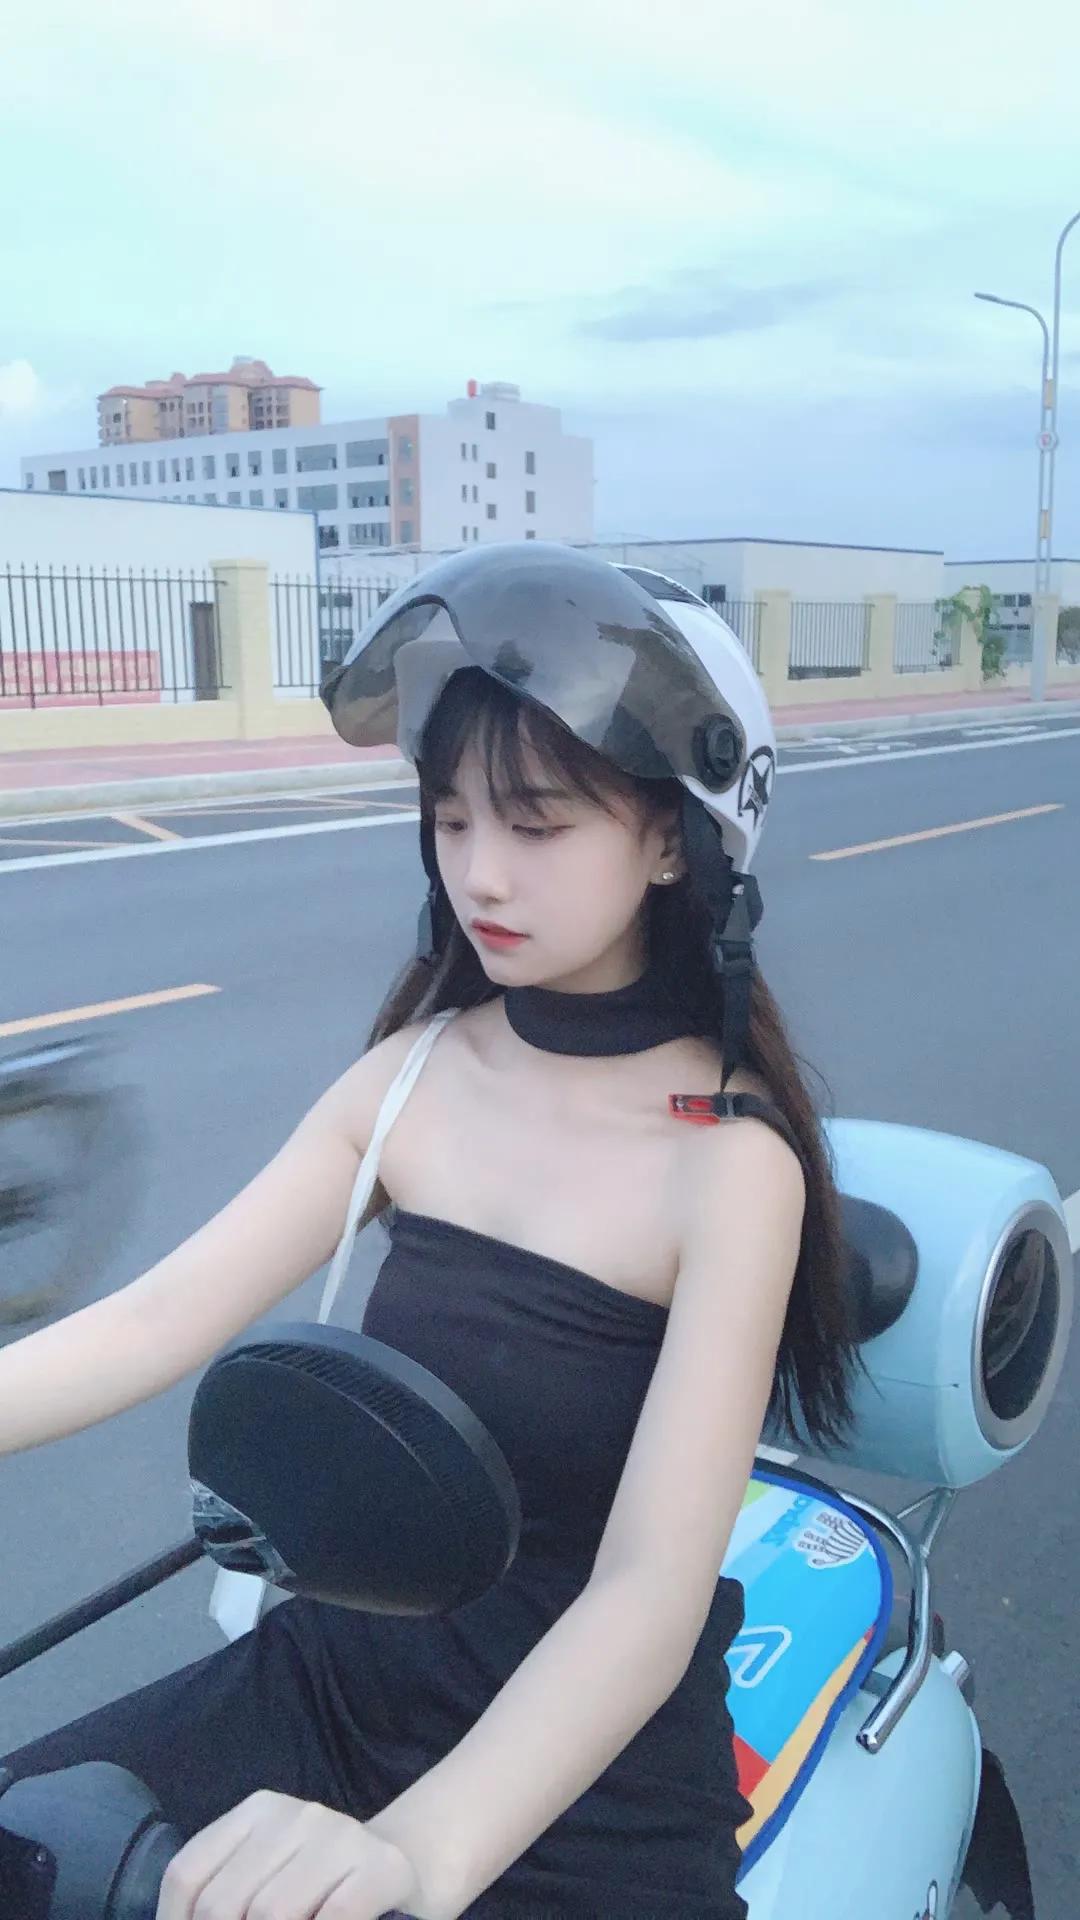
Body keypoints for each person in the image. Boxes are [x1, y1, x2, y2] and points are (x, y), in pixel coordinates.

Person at [0, 543, 861, 1919]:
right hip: (335, 1682)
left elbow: (649, 1591)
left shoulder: (728, 1162)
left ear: (669, 839)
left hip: (583, 1783)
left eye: (536, 824)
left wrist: (423, 1848)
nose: (481, 874)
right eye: (452, 819)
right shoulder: (415, 1075)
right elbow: (156, 1321)